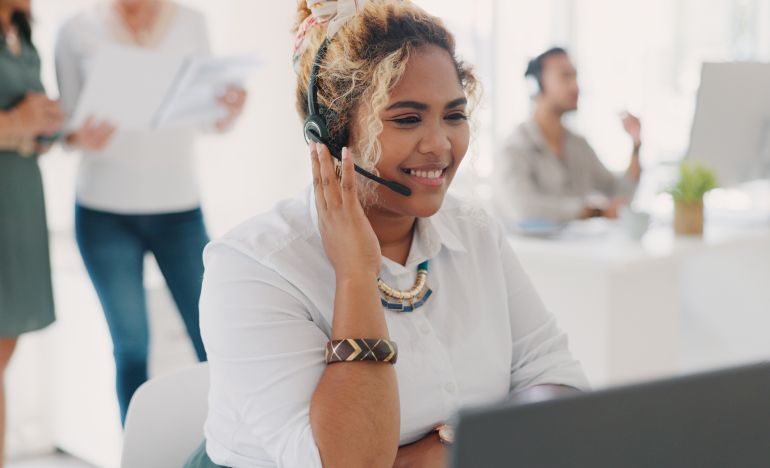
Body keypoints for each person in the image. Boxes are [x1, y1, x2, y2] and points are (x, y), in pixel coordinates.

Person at [188, 2, 588, 467]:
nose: (439, 145)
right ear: (332, 135)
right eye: (407, 119)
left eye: (454, 116)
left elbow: (559, 382)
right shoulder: (253, 266)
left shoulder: (475, 231)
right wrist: (356, 274)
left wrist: (445, 449)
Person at [54, 0, 247, 425]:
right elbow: (64, 125)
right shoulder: (76, 29)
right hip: (104, 214)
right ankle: (136, 451)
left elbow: (209, 118)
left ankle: (224, 447)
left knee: (211, 340)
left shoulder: (192, 22)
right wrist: (77, 135)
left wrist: (228, 111)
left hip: (178, 209)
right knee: (131, 348)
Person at [0, 0, 63, 465]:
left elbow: (28, 119)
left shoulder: (21, 31)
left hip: (20, 199)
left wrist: (45, 127)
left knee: (5, 347)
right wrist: (16, 123)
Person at [494, 47, 643, 223]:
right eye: (565, 76)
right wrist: (592, 211)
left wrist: (636, 144)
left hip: (578, 249)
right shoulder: (514, 148)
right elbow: (523, 209)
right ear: (536, 84)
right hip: (533, 250)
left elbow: (620, 193)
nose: (576, 86)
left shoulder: (579, 145)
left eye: (575, 76)